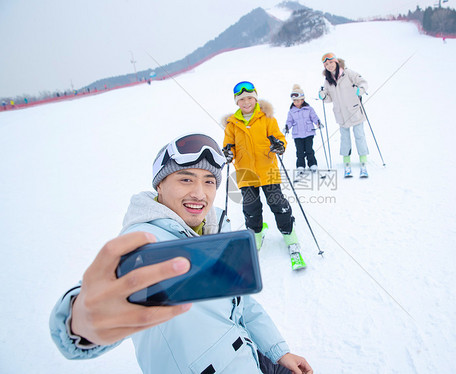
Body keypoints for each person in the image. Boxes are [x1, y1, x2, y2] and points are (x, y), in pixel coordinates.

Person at [49, 133, 313, 374]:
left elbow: (241, 302)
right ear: (160, 185)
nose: (199, 193)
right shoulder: (146, 242)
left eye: (209, 182)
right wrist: (80, 323)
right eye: (186, 179)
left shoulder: (213, 229)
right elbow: (92, 306)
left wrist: (278, 351)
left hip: (250, 355)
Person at [222, 81, 303, 263]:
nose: (246, 102)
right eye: (242, 99)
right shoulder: (232, 125)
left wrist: (279, 145)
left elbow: (280, 138)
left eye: (250, 98)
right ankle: (256, 234)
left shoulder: (267, 118)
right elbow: (229, 146)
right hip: (245, 174)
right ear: (237, 103)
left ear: (255, 99)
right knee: (251, 208)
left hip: (268, 171)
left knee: (278, 204)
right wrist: (228, 153)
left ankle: (289, 235)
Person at [318, 52, 370, 178]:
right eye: (326, 64)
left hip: (354, 111)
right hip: (341, 114)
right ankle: (347, 162)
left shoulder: (349, 73)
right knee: (345, 139)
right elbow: (328, 98)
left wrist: (360, 90)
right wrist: (323, 96)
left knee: (359, 136)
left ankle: (363, 160)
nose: (329, 66)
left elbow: (363, 82)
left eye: (331, 62)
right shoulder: (327, 80)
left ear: (336, 62)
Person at [285, 84, 321, 178]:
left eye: (297, 100)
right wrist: (287, 127)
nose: (296, 102)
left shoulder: (309, 109)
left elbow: (314, 117)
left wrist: (318, 123)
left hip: (309, 133)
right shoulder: (291, 111)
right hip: (297, 135)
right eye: (294, 101)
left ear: (302, 99)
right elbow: (289, 121)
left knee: (309, 150)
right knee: (300, 151)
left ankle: (312, 164)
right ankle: (300, 166)